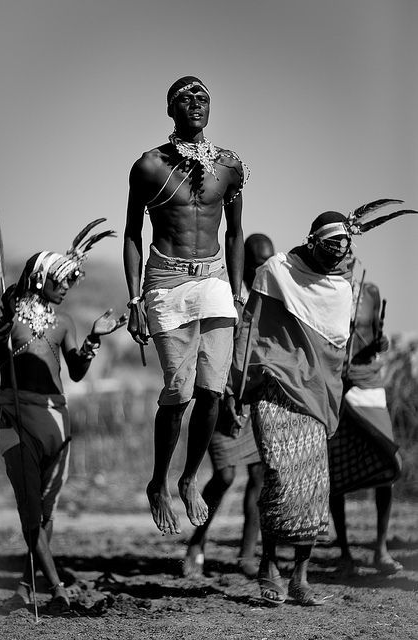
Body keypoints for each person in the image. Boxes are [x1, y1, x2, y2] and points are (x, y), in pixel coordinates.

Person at [123, 76, 247, 535]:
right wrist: (134, 298)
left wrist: (236, 291)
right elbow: (133, 233)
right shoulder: (150, 166)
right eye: (185, 98)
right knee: (179, 391)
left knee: (213, 390)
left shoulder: (228, 167)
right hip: (166, 280)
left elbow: (235, 232)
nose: (195, 103)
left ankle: (190, 477)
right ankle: (158, 482)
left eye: (203, 97)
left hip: (214, 278)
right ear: (171, 110)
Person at [0, 220, 127, 612]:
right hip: (14, 418)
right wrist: (2, 330)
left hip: (56, 421)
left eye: (70, 282)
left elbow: (76, 371)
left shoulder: (64, 324)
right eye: (60, 281)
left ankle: (27, 587)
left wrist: (95, 336)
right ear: (40, 278)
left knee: (45, 510)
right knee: (29, 505)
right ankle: (58, 589)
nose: (66, 288)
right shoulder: (0, 314)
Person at [227, 211, 355, 606]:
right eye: (328, 247)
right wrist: (236, 389)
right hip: (275, 387)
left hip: (316, 396)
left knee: (315, 486)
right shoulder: (277, 271)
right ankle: (268, 565)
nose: (334, 257)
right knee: (280, 476)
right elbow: (250, 330)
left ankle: (299, 576)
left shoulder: (341, 289)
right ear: (313, 240)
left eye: (341, 251)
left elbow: (336, 355)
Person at [183, 234, 275, 579]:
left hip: (253, 403)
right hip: (221, 401)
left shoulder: (269, 303)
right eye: (257, 265)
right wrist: (223, 398)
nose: (263, 270)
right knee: (224, 475)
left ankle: (247, 555)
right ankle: (197, 542)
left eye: (269, 263)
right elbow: (208, 354)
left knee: (258, 476)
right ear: (246, 265)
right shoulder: (228, 300)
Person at [329, 278, 403, 576]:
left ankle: (381, 549)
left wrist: (380, 343)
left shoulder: (370, 291)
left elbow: (376, 336)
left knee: (388, 459)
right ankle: (344, 552)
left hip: (369, 385)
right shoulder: (327, 288)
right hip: (336, 386)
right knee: (335, 470)